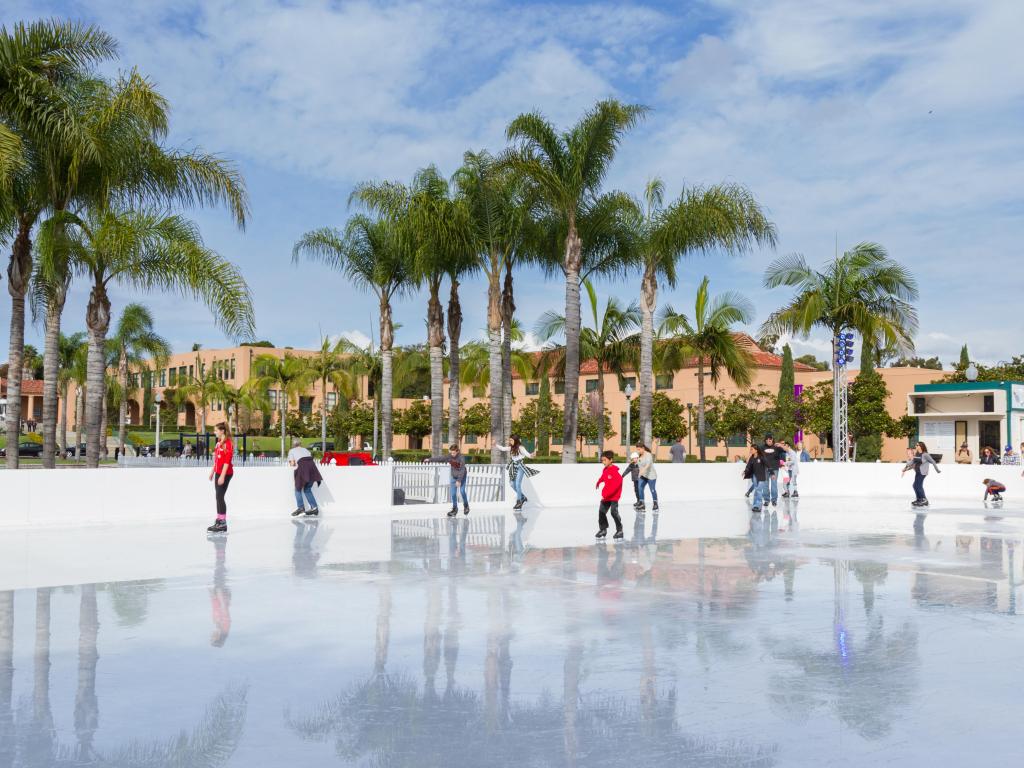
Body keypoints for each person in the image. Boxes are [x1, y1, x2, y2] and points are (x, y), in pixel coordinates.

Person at [425, 444, 470, 517]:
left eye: (454, 453)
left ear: (457, 451)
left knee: (462, 491)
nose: (452, 454)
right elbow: (440, 458)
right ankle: (455, 509)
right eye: (451, 453)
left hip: (462, 477)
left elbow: (462, 470)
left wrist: (459, 480)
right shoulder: (449, 456)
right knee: (453, 494)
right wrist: (429, 459)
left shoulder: (461, 457)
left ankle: (466, 506)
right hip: (453, 476)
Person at [497, 435, 538, 511]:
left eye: (511, 440)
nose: (510, 442)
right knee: (512, 484)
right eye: (510, 440)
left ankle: (519, 501)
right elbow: (503, 448)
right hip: (513, 467)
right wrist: (495, 444)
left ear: (516, 440)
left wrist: (532, 455)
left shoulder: (521, 448)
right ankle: (523, 497)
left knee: (517, 484)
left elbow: (529, 455)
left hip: (520, 467)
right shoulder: (511, 448)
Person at [207, 422, 234, 533]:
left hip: (226, 473)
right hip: (218, 472)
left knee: (220, 496)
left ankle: (223, 523)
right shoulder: (219, 443)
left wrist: (222, 476)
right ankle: (219, 520)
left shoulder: (227, 444)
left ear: (222, 431)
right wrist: (212, 472)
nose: (214, 432)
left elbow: (227, 462)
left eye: (216, 430)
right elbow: (217, 460)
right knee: (218, 497)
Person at [288, 437, 323, 517]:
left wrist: (291, 462)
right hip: (312, 469)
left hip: (303, 468)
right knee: (307, 489)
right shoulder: (306, 450)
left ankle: (301, 508)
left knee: (297, 489)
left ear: (293, 444)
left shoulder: (292, 451)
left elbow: (293, 464)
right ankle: (314, 508)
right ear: (300, 443)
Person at [594, 449, 624, 539]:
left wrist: (607, 494)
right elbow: (603, 477)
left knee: (613, 512)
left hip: (614, 497)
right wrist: (599, 481)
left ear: (611, 460)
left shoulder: (616, 473)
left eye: (605, 460)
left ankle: (620, 530)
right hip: (606, 497)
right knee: (601, 512)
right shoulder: (605, 470)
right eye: (602, 460)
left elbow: (616, 485)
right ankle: (603, 529)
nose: (603, 462)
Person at [901, 441, 940, 507]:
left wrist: (937, 470)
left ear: (920, 446)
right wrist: (905, 468)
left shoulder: (925, 454)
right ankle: (919, 499)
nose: (916, 446)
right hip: (918, 472)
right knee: (915, 485)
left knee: (918, 485)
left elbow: (932, 461)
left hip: (923, 473)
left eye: (917, 445)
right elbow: (912, 462)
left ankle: (924, 500)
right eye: (916, 445)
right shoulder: (917, 454)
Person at [743, 445, 769, 513]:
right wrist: (745, 471)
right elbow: (748, 465)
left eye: (752, 449)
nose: (750, 450)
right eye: (750, 449)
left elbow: (768, 464)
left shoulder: (761, 457)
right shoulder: (752, 457)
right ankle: (755, 505)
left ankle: (759, 506)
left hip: (762, 476)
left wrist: (772, 472)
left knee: (759, 491)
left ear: (756, 450)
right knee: (756, 490)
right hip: (754, 476)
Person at [761, 434, 782, 508]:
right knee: (765, 485)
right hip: (765, 469)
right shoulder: (762, 447)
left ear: (772, 439)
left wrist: (781, 445)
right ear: (765, 440)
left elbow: (785, 451)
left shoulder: (776, 447)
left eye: (770, 439)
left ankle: (774, 500)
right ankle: (766, 500)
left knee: (774, 484)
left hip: (775, 469)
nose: (768, 440)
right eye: (767, 439)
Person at [637, 444, 659, 512]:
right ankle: (642, 504)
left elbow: (648, 464)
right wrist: (640, 473)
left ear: (643, 448)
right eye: (637, 449)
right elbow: (639, 465)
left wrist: (643, 470)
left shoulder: (648, 454)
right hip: (643, 476)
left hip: (651, 476)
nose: (638, 451)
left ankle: (655, 504)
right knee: (640, 488)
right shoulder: (639, 455)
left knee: (652, 490)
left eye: (639, 449)